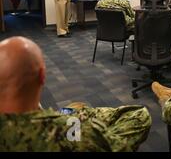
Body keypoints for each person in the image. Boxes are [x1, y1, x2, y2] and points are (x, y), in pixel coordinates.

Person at [0, 37, 151, 151]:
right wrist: (79, 118)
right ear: (42, 76)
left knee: (73, 107)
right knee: (77, 108)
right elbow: (139, 116)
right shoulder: (72, 133)